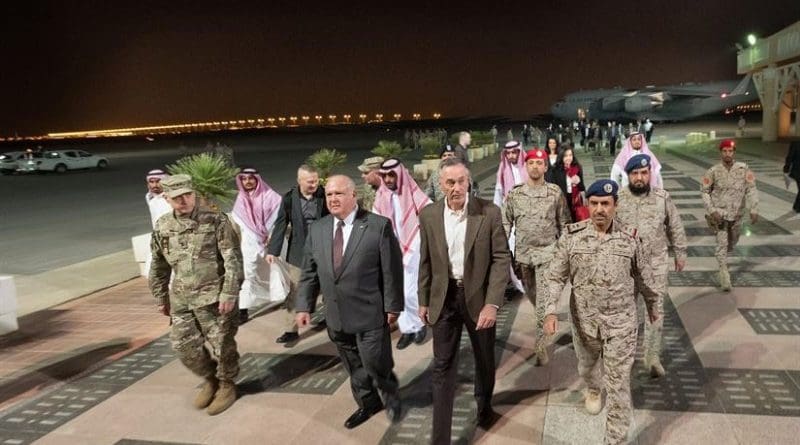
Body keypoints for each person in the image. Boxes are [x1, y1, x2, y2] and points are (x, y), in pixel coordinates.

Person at [543, 179, 660, 445]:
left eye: (605, 204)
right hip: (584, 324)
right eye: (594, 203)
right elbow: (554, 277)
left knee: (618, 386)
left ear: (615, 206)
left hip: (621, 324)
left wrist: (653, 306)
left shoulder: (630, 239)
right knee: (586, 368)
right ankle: (593, 388)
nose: (599, 210)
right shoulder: (572, 238)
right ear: (587, 205)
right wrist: (550, 311)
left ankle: (614, 439)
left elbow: (645, 279)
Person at [295, 175, 404, 429]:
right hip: (336, 316)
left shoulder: (378, 226)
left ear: (353, 195)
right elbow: (309, 272)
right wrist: (303, 305)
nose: (333, 199)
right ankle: (368, 403)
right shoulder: (318, 229)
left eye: (339, 194)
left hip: (370, 313)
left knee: (376, 363)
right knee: (353, 365)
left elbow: (391, 270)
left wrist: (393, 306)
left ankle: (390, 393)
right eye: (330, 194)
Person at [418, 157, 511, 443]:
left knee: (484, 360)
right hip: (443, 300)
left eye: (461, 181)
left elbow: (501, 258)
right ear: (441, 185)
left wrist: (492, 303)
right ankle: (440, 439)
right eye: (450, 182)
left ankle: (484, 406)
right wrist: (423, 300)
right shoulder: (429, 215)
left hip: (478, 300)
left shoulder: (489, 213)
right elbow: (426, 261)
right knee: (442, 367)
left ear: (468, 181)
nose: (456, 187)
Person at [149, 174, 244, 416]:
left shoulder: (216, 220)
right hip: (181, 299)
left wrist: (230, 293)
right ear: (167, 199)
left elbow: (233, 260)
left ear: (194, 194)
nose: (184, 201)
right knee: (183, 347)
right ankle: (209, 378)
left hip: (215, 298)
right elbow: (158, 265)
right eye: (177, 197)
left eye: (187, 195)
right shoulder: (163, 226)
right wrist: (161, 297)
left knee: (223, 345)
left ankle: (226, 384)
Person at [615, 154, 687, 377]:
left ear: (650, 175)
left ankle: (652, 356)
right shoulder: (618, 199)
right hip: (626, 267)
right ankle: (622, 357)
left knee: (655, 311)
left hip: (655, 264)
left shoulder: (662, 198)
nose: (639, 178)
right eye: (635, 174)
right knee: (624, 313)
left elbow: (675, 225)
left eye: (644, 173)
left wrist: (680, 252)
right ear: (628, 176)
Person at [502, 148, 569, 366]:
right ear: (526, 165)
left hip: (547, 255)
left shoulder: (555, 193)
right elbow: (506, 222)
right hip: (523, 257)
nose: (535, 167)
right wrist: (503, 248)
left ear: (545, 167)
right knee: (533, 296)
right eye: (531, 163)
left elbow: (564, 223)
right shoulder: (515, 194)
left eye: (539, 163)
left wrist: (563, 252)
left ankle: (540, 347)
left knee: (542, 302)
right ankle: (545, 315)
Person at [267, 165, 329, 344]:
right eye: (310, 182)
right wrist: (273, 251)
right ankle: (290, 330)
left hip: (324, 250)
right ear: (299, 181)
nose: (314, 185)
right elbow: (280, 224)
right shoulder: (288, 199)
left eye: (316, 181)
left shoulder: (324, 196)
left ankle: (331, 320)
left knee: (329, 288)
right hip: (299, 252)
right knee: (295, 291)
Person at [373, 158, 431, 349]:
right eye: (385, 176)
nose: (388, 179)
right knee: (398, 291)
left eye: (392, 175)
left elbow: (429, 211)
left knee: (410, 291)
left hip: (413, 246)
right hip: (391, 249)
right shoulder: (381, 196)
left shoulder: (411, 191)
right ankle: (408, 329)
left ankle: (420, 324)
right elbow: (375, 222)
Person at [701, 139, 759, 291]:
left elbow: (751, 189)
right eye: (724, 151)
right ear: (720, 152)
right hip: (720, 215)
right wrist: (712, 210)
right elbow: (705, 192)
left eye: (730, 151)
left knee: (732, 242)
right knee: (722, 244)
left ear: (734, 152)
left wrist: (754, 209)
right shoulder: (713, 171)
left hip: (737, 215)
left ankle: (724, 257)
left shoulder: (743, 169)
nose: (727, 154)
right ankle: (724, 274)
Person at [231, 167, 282, 324]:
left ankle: (288, 301)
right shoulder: (240, 199)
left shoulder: (271, 196)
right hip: (250, 243)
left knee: (279, 271)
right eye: (244, 179)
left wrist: (271, 235)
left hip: (272, 240)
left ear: (257, 179)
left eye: (251, 178)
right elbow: (238, 223)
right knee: (249, 275)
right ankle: (243, 310)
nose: (247, 182)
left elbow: (279, 219)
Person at [548, 145, 587, 222]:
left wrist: (578, 182)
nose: (569, 158)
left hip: (575, 200)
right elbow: (552, 186)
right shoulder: (556, 170)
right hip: (562, 199)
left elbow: (582, 187)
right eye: (566, 156)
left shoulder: (577, 168)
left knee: (576, 219)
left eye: (570, 155)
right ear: (561, 156)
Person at [492, 140, 529, 206]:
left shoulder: (528, 165)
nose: (510, 156)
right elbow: (499, 188)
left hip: (527, 204)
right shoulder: (503, 167)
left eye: (513, 152)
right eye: (508, 153)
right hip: (510, 205)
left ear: (519, 152)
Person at [783, 140, 800, 213]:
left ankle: (796, 206)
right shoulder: (796, 143)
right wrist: (786, 169)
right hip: (797, 171)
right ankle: (797, 207)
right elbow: (790, 157)